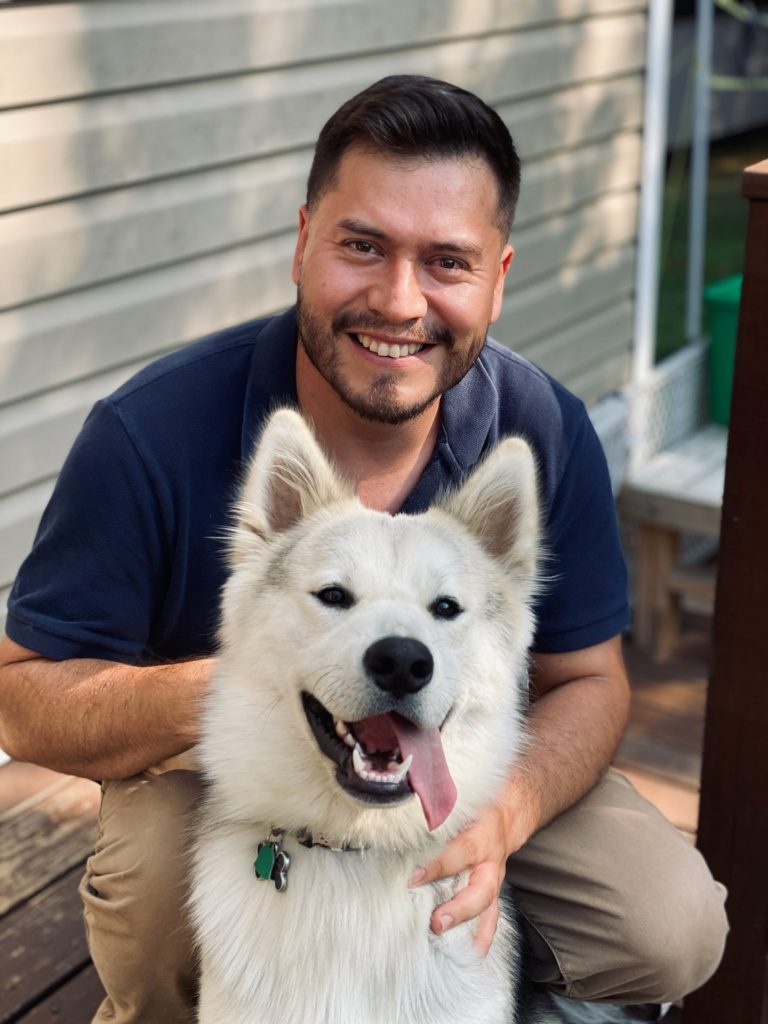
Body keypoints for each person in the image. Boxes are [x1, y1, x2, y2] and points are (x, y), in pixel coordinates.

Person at [0, 75, 726, 1023]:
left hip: (455, 766)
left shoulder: (540, 426)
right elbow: (21, 702)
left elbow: (593, 678)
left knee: (670, 921)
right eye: (363, 245)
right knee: (157, 909)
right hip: (219, 770)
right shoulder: (152, 430)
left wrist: (509, 810)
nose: (398, 300)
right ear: (303, 241)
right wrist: (249, 681)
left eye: (447, 263)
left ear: (498, 278)